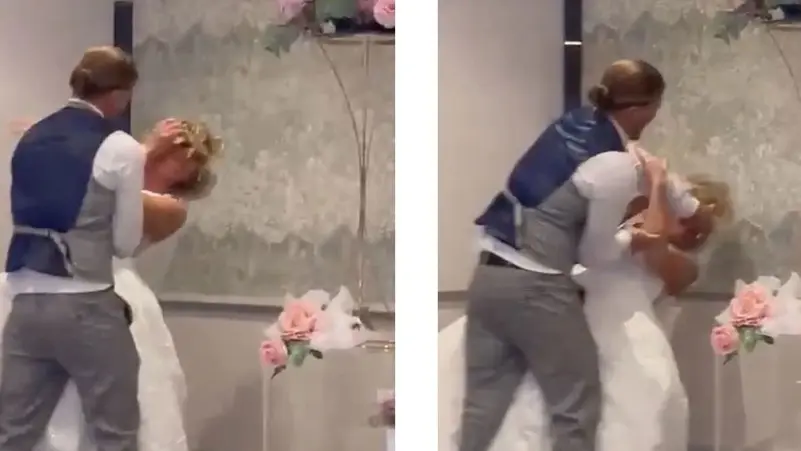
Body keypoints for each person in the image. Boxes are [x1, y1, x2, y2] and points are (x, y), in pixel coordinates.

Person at [457, 59, 716, 451]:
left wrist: (690, 206)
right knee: (575, 407)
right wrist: (632, 237)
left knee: (482, 404)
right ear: (642, 107)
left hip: (489, 275)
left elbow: (646, 168)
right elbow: (596, 254)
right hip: (537, 287)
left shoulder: (575, 124)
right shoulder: (613, 165)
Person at [440, 161, 732, 451]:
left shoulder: (684, 266)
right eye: (683, 212)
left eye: (695, 224)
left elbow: (654, 243)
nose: (688, 228)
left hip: (615, 333)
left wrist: (657, 184)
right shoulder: (622, 230)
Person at [0, 46, 182, 451]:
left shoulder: (31, 136)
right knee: (114, 434)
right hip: (85, 304)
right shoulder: (119, 146)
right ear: (120, 94)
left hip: (25, 302)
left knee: (13, 435)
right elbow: (124, 243)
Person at [28, 119, 221, 451]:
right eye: (165, 155)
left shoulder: (170, 208)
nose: (165, 166)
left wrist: (142, 151)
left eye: (177, 163)